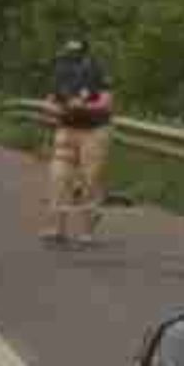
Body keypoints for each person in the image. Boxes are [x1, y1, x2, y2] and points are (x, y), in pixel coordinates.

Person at [42, 39, 115, 245]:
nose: (71, 60)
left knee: (88, 180)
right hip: (66, 128)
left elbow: (107, 103)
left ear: (85, 56)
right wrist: (52, 109)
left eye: (76, 56)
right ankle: (57, 227)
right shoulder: (60, 70)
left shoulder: (97, 71)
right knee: (59, 177)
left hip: (94, 131)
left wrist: (82, 107)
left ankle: (87, 230)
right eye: (68, 55)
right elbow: (51, 99)